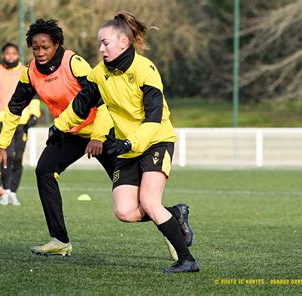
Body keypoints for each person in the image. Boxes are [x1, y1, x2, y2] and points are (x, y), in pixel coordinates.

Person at [54, 12, 198, 273]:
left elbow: (154, 119)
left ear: (123, 42)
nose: (100, 48)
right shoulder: (99, 74)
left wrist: (130, 143)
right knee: (125, 212)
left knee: (150, 201)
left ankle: (187, 260)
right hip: (127, 147)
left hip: (156, 141)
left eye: (105, 43)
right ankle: (175, 214)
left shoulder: (145, 69)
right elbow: (81, 106)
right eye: (99, 43)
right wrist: (59, 126)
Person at [0, 19, 116, 256]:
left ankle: (171, 223)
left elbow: (103, 103)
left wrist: (99, 137)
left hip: (102, 132)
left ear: (57, 44)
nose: (40, 52)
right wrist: (2, 145)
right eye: (35, 48)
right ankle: (60, 240)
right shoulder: (30, 72)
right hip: (68, 133)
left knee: (129, 195)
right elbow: (14, 108)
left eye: (45, 47)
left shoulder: (74, 63)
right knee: (44, 171)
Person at [0, 42, 41, 205]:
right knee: (7, 156)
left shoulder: (25, 71)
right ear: (3, 55)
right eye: (8, 54)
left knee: (18, 158)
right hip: (2, 120)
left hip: (22, 122)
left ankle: (13, 192)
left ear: (18, 55)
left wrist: (34, 114)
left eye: (14, 53)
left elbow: (34, 95)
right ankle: (5, 191)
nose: (11, 56)